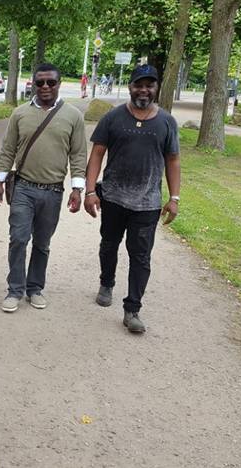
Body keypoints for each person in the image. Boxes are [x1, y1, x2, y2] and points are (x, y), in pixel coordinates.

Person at [83, 64, 181, 334]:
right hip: (113, 198)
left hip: (147, 203)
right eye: (139, 85)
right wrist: (90, 192)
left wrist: (174, 198)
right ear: (130, 86)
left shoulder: (166, 122)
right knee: (109, 244)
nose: (143, 90)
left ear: (156, 88)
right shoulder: (113, 118)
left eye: (149, 85)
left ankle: (132, 309)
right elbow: (97, 154)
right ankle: (106, 283)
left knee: (141, 257)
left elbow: (173, 160)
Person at [0, 62, 87, 313]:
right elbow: (8, 149)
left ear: (59, 84)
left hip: (53, 191)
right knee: (18, 239)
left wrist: (77, 189)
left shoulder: (73, 116)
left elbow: (78, 154)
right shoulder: (20, 113)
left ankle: (34, 288)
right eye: (40, 82)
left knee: (42, 243)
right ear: (33, 84)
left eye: (51, 82)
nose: (45, 87)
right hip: (23, 188)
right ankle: (15, 290)